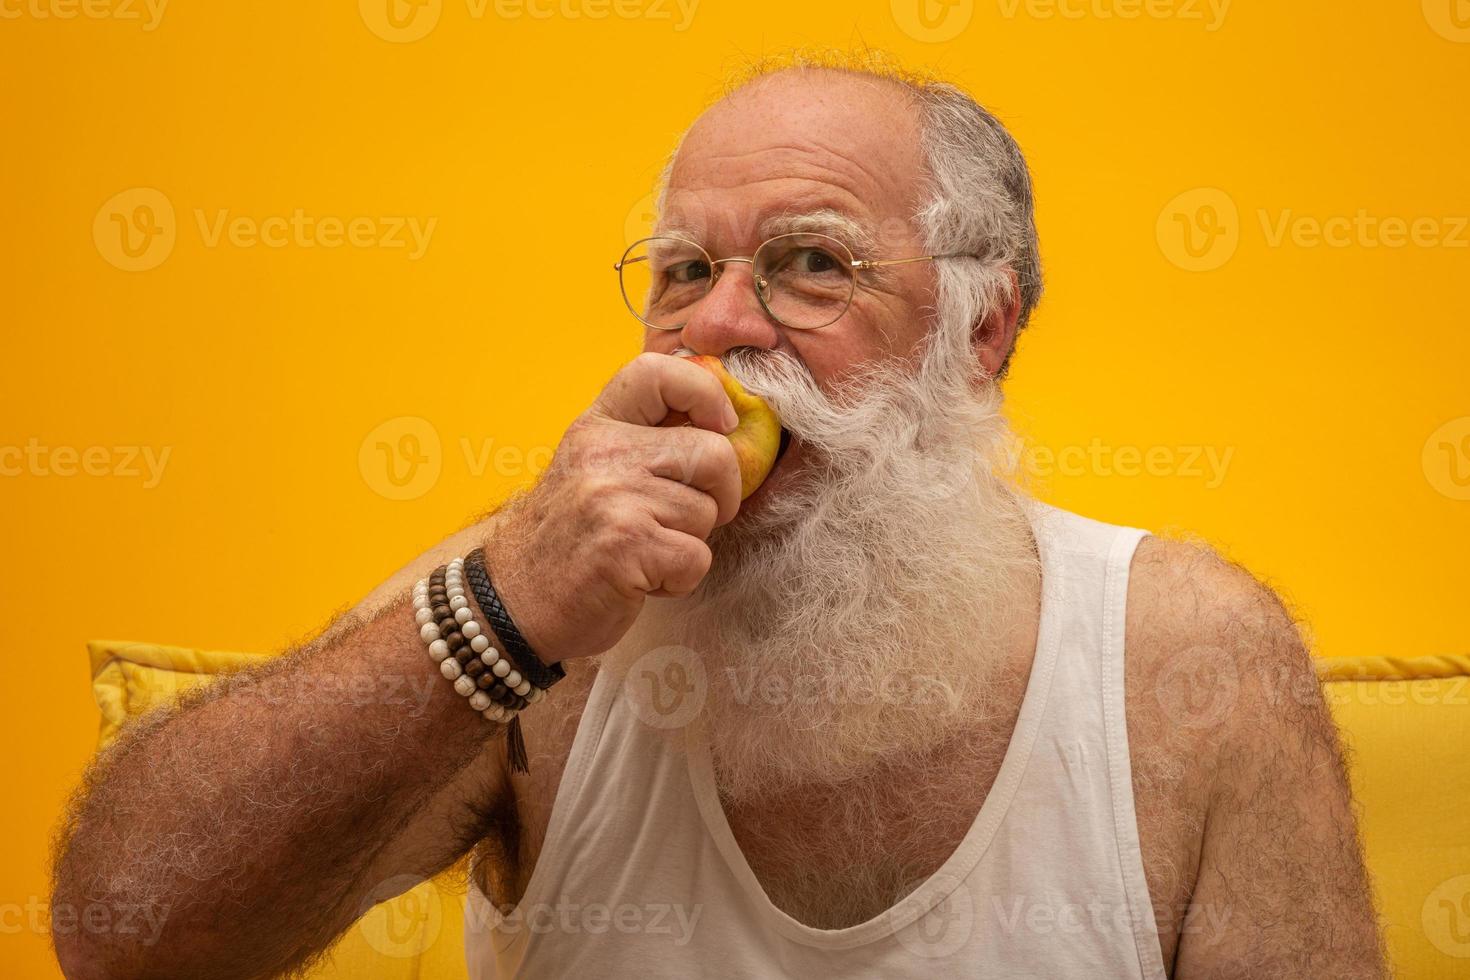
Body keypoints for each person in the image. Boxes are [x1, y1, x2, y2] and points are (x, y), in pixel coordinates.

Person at [51, 53, 1386, 979]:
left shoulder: (1186, 656)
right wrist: (505, 607)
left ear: (981, 330)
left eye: (811, 264)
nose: (720, 329)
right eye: (683, 272)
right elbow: (124, 932)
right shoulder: (526, 613)